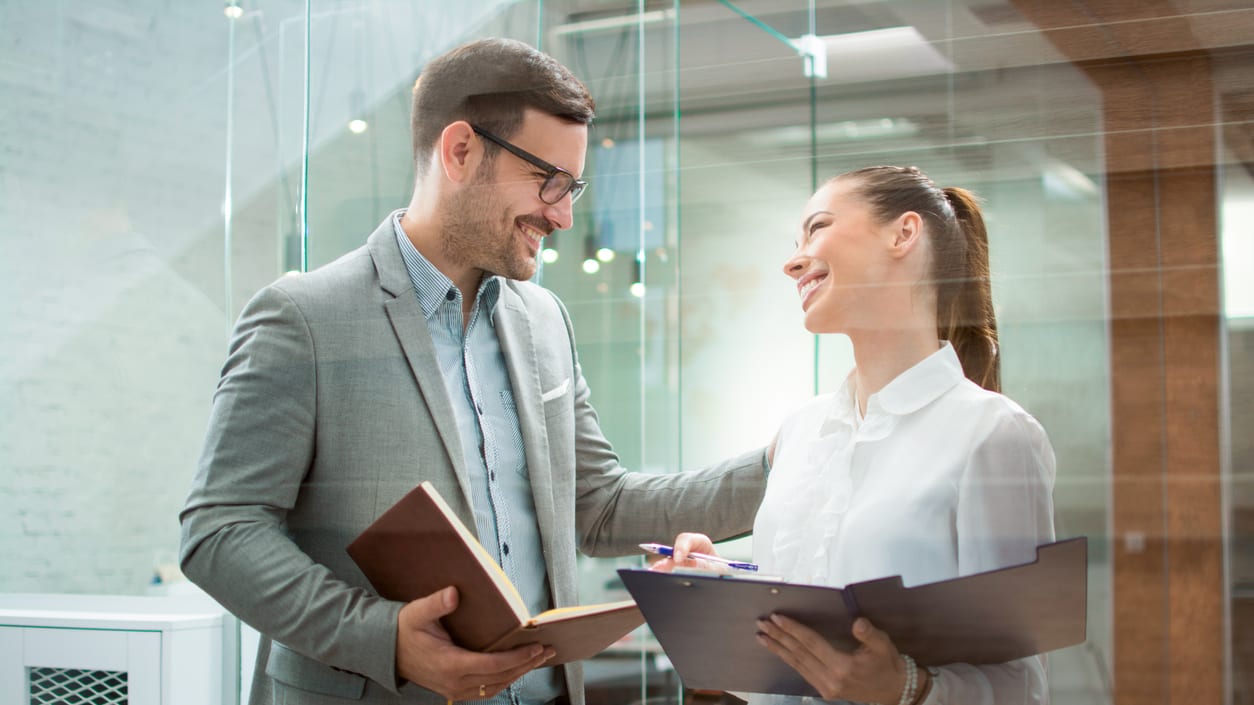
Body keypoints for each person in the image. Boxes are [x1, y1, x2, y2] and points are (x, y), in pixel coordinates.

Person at [179, 37, 767, 705]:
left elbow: (599, 506)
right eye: (549, 181)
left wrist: (787, 463)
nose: (562, 214)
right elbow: (221, 531)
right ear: (460, 151)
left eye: (572, 188)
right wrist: (384, 635)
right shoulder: (304, 317)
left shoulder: (544, 320)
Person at [658, 166, 1056, 705]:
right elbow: (779, 673)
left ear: (904, 234)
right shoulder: (801, 433)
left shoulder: (993, 435)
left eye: (817, 228)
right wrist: (716, 596)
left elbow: (1023, 688)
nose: (793, 260)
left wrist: (907, 690)